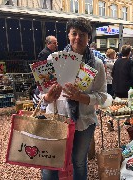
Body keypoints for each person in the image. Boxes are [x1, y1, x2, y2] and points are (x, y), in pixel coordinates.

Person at [41, 17, 107, 180]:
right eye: (74, 33)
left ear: (89, 37)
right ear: (69, 36)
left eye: (83, 34)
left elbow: (102, 95)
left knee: (78, 162)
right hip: (57, 120)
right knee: (51, 163)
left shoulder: (96, 64)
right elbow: (41, 94)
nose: (78, 37)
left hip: (83, 121)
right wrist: (48, 96)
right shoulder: (54, 59)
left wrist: (81, 97)